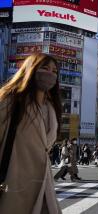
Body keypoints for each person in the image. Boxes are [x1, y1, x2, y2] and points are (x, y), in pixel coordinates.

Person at [0, 53, 62, 213]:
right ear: (31, 70)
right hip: (14, 184)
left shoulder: (51, 109)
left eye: (55, 71)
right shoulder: (11, 102)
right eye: (45, 68)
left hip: (43, 185)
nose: (51, 74)